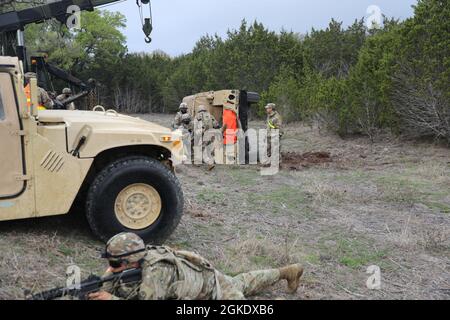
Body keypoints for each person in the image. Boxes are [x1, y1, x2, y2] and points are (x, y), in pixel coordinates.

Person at [88, 233, 304, 300]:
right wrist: (108, 277)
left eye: (115, 262)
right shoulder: (141, 256)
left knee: (241, 291)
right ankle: (287, 271)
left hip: (211, 292)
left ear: (131, 260)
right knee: (243, 282)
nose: (111, 266)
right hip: (204, 276)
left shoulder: (156, 271)